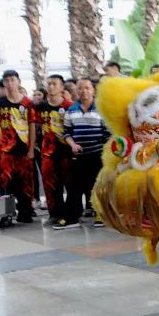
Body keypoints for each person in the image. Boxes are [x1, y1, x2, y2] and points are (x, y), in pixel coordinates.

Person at [55, 78, 108, 229]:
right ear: (76, 91)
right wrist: (72, 144)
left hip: (97, 156)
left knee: (97, 186)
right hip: (78, 156)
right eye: (80, 88)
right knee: (73, 187)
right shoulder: (71, 110)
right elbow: (67, 132)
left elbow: (107, 134)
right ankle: (71, 217)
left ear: (93, 90)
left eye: (87, 88)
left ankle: (100, 214)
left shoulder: (101, 109)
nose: (84, 91)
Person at [0, 69, 36, 223]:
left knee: (25, 182)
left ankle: (25, 212)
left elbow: (32, 126)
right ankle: (7, 214)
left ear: (19, 82)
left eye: (12, 80)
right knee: (5, 183)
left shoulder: (28, 103)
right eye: (6, 81)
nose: (9, 84)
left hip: (23, 151)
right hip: (5, 152)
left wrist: (31, 149)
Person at [32, 74, 73, 224]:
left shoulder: (69, 106)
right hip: (47, 153)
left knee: (69, 184)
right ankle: (54, 214)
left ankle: (70, 214)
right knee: (50, 185)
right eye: (49, 84)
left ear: (62, 88)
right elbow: (34, 126)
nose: (51, 86)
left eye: (55, 84)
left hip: (66, 152)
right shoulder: (41, 106)